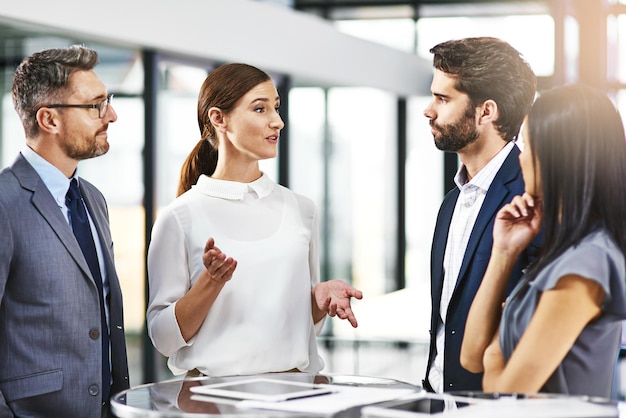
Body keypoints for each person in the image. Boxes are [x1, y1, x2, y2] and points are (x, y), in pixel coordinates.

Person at [146, 62, 363, 378]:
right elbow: (163, 338)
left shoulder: (302, 209)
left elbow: (304, 328)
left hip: (296, 398)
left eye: (276, 107)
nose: (277, 121)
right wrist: (211, 282)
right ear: (219, 119)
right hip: (211, 404)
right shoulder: (179, 216)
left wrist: (319, 300)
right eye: (260, 109)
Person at [460, 84, 626, 398]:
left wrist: (495, 354)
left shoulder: (587, 262)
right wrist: (504, 251)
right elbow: (469, 357)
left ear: (556, 157)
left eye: (527, 144)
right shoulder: (564, 253)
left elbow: (509, 395)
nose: (521, 158)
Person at [0, 45, 129, 417]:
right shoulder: (4, 203)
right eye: (96, 106)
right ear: (49, 120)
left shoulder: (93, 199)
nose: (112, 115)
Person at [422, 37, 539, 393]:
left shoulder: (532, 199)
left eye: (443, 99)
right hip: (440, 398)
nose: (429, 110)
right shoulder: (450, 203)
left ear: (487, 111)